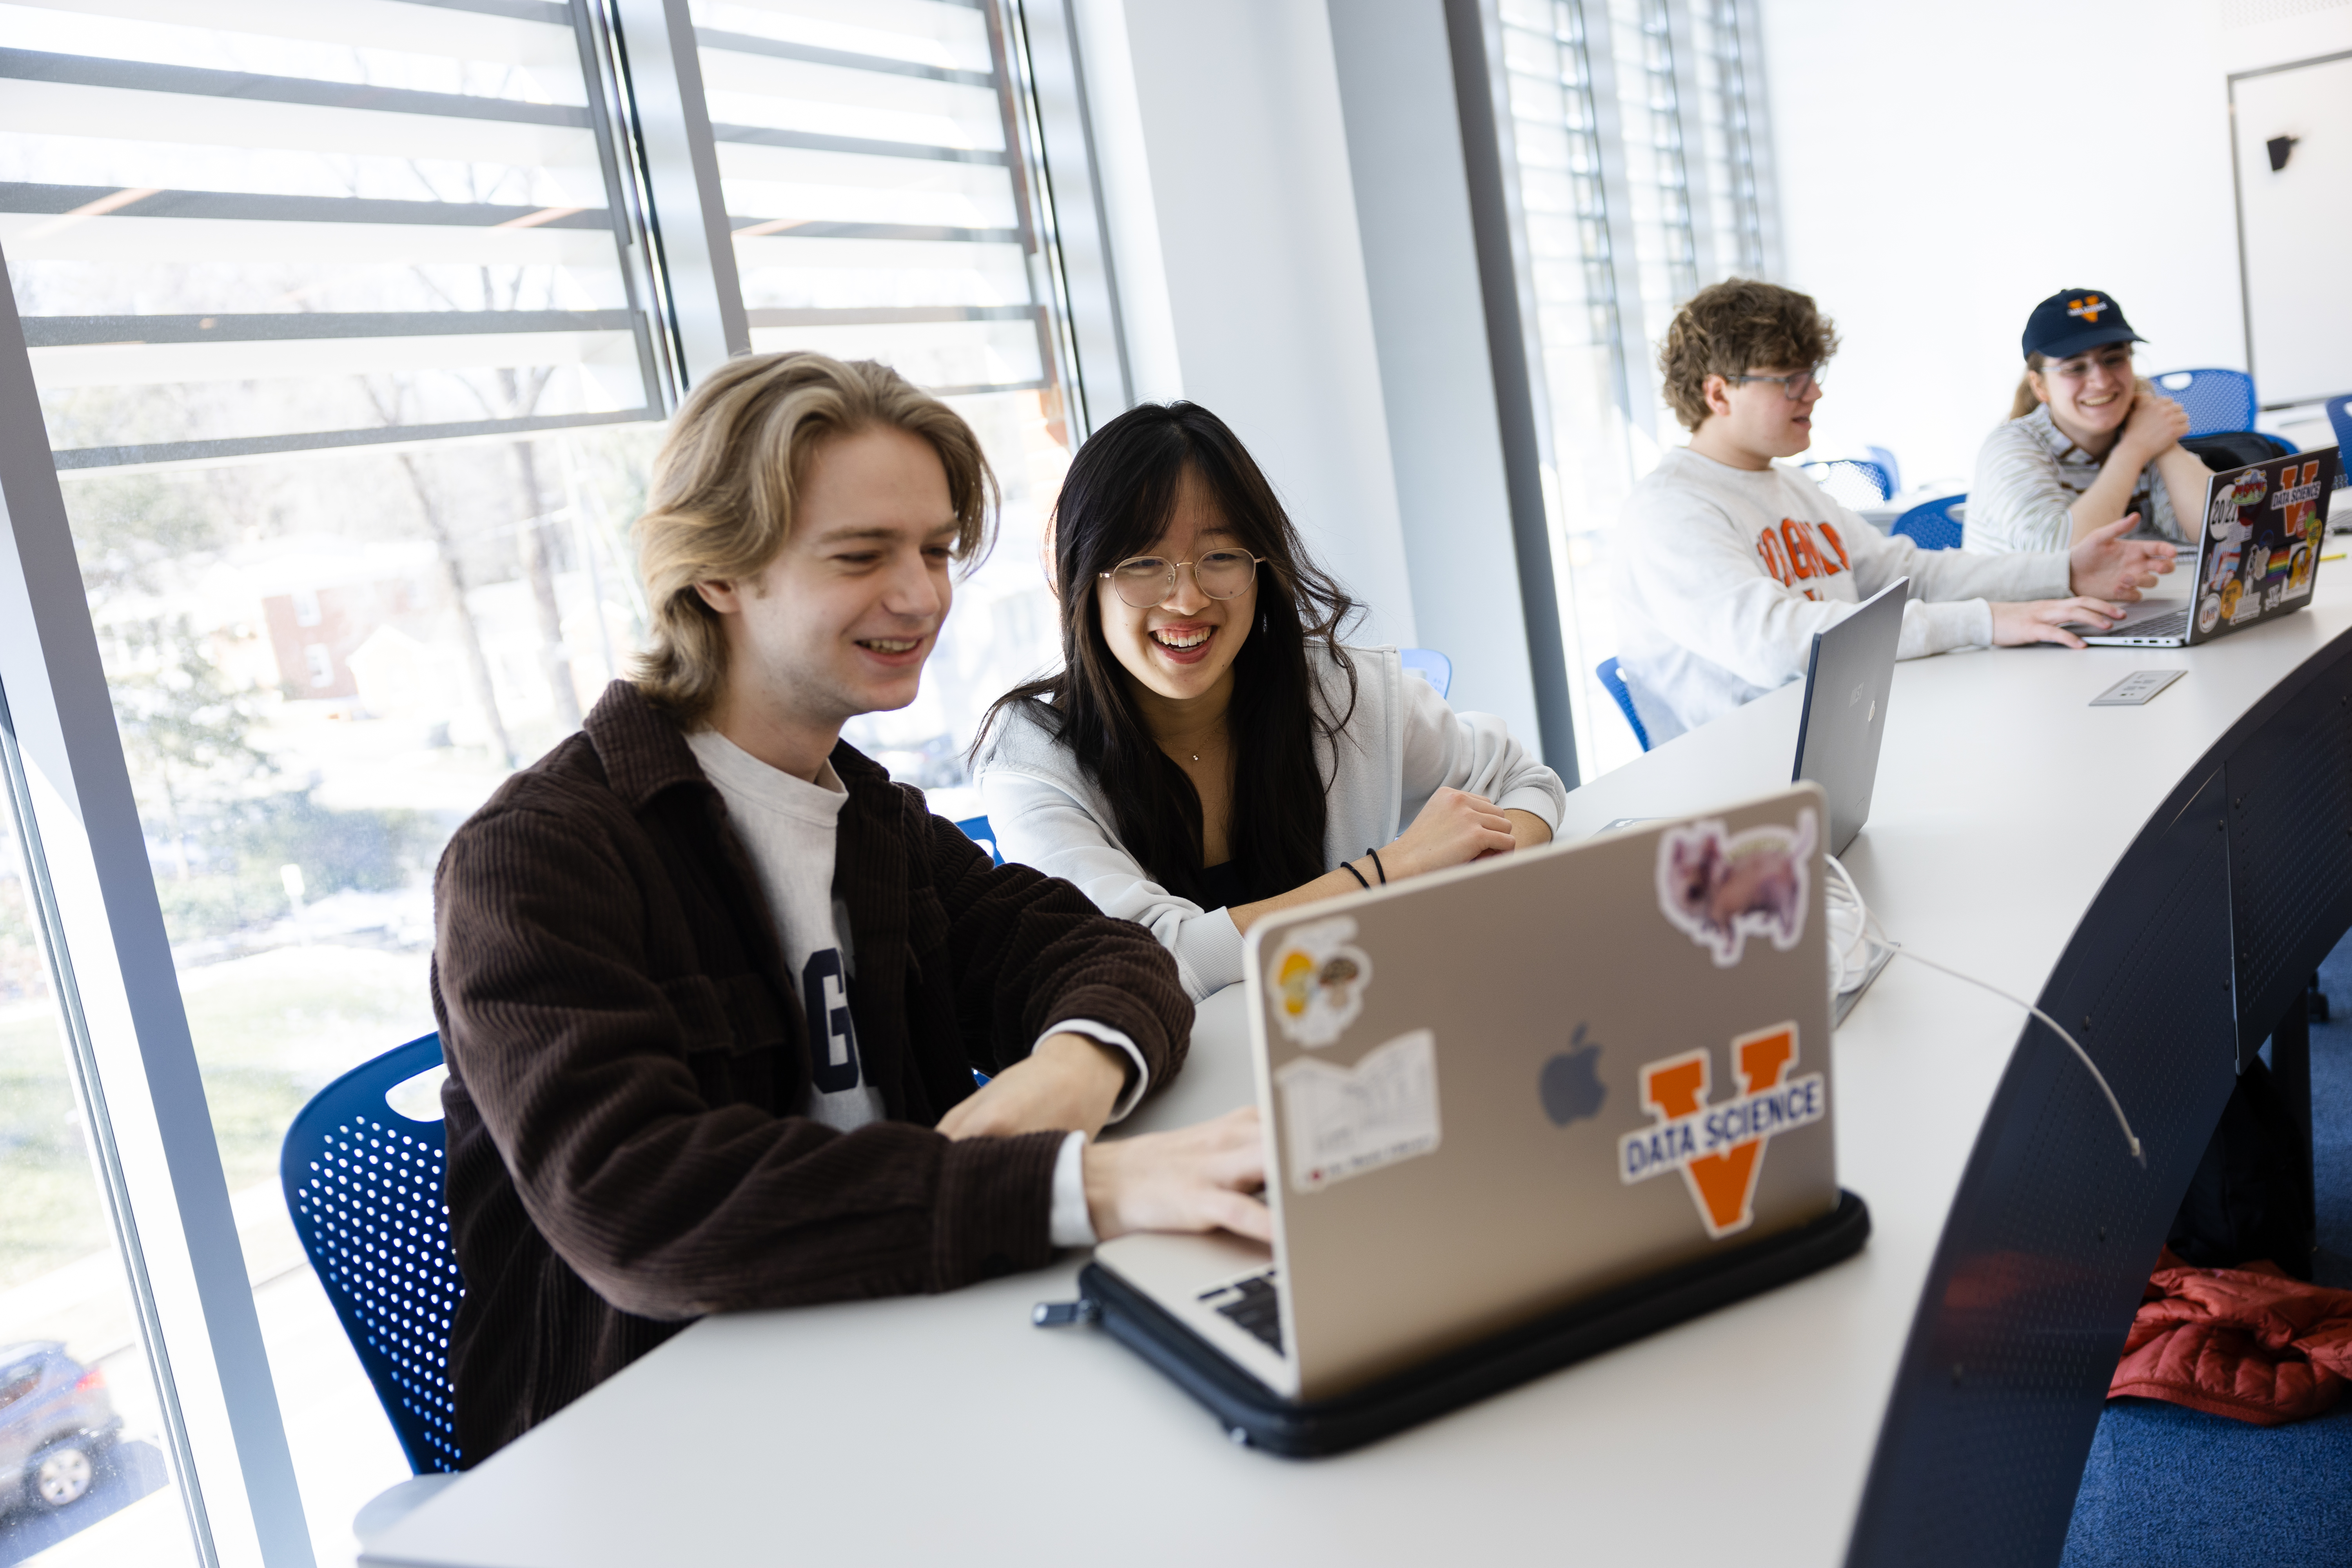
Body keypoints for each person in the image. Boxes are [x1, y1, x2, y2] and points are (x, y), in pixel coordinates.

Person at [430, 353, 1269, 1464]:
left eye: (933, 550)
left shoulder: (872, 818)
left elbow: (1105, 954)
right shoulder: (536, 860)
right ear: (716, 572)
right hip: (661, 1450)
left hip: (907, 1357)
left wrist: (1076, 1068)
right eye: (862, 556)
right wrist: (1085, 1180)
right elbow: (641, 1205)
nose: (921, 595)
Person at [973, 401, 1566, 1003]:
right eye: (1145, 563)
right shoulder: (1033, 761)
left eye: (1221, 556)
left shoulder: (1336, 694)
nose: (1187, 598)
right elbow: (1153, 959)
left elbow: (1524, 780)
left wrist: (1478, 875)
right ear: (1083, 578)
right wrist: (1390, 872)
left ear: (1260, 567)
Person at [1613, 278, 2178, 743]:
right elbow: (1777, 644)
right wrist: (1984, 622)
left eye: (1813, 375)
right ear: (1718, 394)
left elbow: (1907, 574)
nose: (1814, 395)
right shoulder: (1670, 508)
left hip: (1836, 730)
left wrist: (2064, 572)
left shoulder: (1785, 483)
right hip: (1745, 771)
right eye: (1791, 381)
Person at [1965, 289, 2211, 554]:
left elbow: (2225, 531)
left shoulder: (2142, 429)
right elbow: (2057, 559)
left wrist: (2164, 444)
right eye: (2075, 368)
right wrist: (2135, 449)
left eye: (2114, 359)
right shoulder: (2009, 447)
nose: (2102, 381)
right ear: (2040, 386)